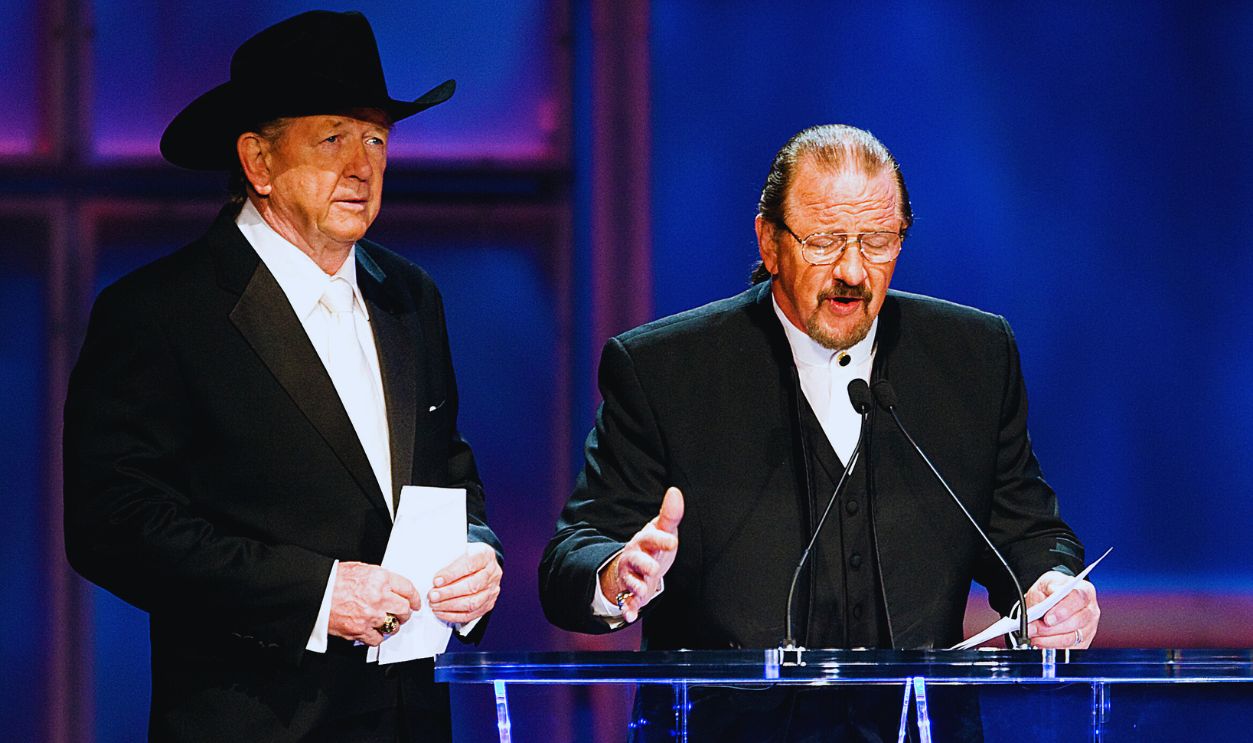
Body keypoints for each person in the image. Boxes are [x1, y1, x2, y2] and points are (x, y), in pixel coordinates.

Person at [539, 124, 1100, 738]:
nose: (854, 272)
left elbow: (1025, 530)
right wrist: (616, 573)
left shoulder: (973, 358)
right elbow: (573, 557)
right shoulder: (666, 370)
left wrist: (1050, 587)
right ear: (770, 242)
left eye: (879, 241)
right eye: (826, 242)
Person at [63, 11, 502, 742]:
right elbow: (115, 523)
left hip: (408, 716)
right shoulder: (161, 310)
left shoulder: (410, 295)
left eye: (376, 139)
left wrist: (476, 553)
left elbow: (448, 466)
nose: (362, 165)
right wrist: (317, 594)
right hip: (255, 717)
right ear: (258, 163)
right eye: (333, 137)